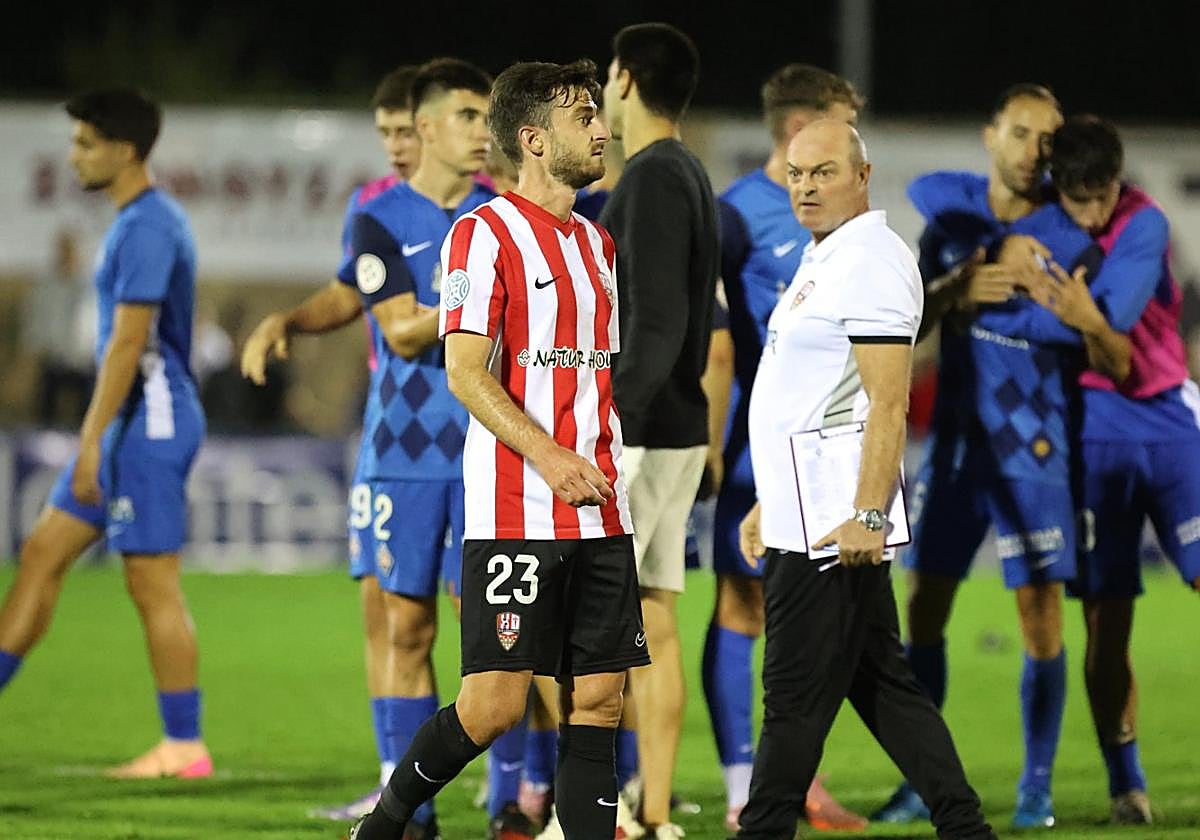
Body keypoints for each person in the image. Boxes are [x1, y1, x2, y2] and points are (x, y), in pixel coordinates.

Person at [348, 58, 647, 840]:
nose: (600, 127)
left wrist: (611, 468)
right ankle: (383, 826)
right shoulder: (481, 235)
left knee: (599, 701)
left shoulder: (598, 244)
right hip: (517, 511)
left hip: (601, 510)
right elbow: (464, 373)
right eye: (582, 115)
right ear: (533, 139)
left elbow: (598, 376)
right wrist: (550, 458)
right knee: (493, 704)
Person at [241, 60, 495, 836]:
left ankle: (520, 798)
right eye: (470, 116)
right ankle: (405, 805)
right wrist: (291, 316)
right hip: (406, 448)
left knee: (499, 636)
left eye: (490, 118)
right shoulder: (379, 214)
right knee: (403, 626)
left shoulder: (505, 213)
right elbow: (381, 316)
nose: (485, 130)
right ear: (428, 128)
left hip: (493, 445)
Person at [733, 118, 996, 840]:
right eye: (795, 174)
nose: (806, 187)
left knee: (789, 701)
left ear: (861, 174)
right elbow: (814, 397)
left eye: (823, 172)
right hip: (805, 516)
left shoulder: (871, 260)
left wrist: (870, 517)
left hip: (834, 530)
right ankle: (965, 827)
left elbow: (887, 401)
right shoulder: (830, 255)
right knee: (884, 688)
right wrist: (768, 501)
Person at [873, 84, 1112, 830]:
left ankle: (1036, 787)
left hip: (1033, 450)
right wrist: (954, 289)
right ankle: (922, 781)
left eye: (1047, 138)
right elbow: (899, 329)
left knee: (1041, 615)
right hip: (954, 450)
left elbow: (1091, 342)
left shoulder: (1068, 235)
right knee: (927, 612)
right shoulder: (949, 226)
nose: (1034, 150)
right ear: (989, 136)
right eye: (1020, 133)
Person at [986, 115, 1200, 823]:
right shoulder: (1042, 221)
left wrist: (1028, 309)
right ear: (1058, 186)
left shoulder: (1145, 222)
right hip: (1092, 437)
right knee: (1108, 623)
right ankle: (1127, 784)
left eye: (1103, 195)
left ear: (1119, 180)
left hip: (1170, 425)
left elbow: (1112, 321)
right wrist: (999, 294)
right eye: (1079, 200)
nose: (1094, 212)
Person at [0, 89, 210, 778]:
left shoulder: (147, 226)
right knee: (41, 553)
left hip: (148, 421)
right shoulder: (133, 221)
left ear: (123, 151)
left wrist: (89, 441)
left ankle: (183, 745)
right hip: (126, 422)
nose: (73, 155)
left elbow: (128, 346)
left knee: (152, 584)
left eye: (85, 143)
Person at [703, 63, 867, 834]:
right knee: (745, 602)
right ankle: (746, 785)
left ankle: (796, 776)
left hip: (832, 448)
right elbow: (703, 334)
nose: (857, 116)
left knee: (812, 617)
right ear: (800, 124)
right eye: (842, 111)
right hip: (755, 450)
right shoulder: (735, 216)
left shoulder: (841, 214)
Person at [599, 24, 718, 839]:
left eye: (608, 75)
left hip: (640, 427)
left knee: (598, 623)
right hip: (680, 426)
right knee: (656, 616)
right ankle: (654, 812)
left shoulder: (647, 180)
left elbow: (658, 323)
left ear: (626, 78)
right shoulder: (692, 175)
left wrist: (608, 419)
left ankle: (595, 814)